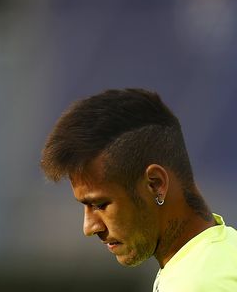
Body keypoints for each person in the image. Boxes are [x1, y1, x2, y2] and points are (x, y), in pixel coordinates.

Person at [41, 88, 237, 291]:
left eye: (100, 204)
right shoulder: (225, 250)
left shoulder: (196, 285)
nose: (89, 227)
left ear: (155, 184)